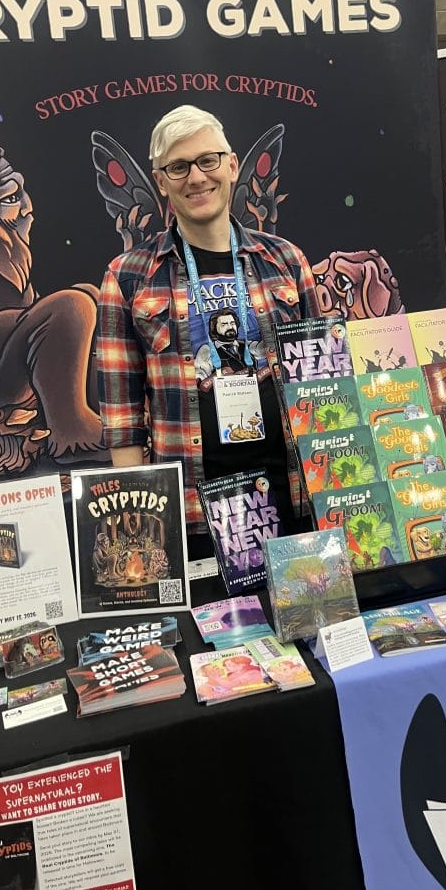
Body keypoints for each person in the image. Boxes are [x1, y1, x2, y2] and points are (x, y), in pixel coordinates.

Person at [97, 105, 320, 554]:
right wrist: (140, 526)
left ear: (233, 166)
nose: (196, 178)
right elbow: (122, 418)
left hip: (296, 496)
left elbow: (325, 383)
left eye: (208, 160)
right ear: (160, 181)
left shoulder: (287, 261)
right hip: (193, 513)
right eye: (178, 167)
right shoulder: (128, 276)